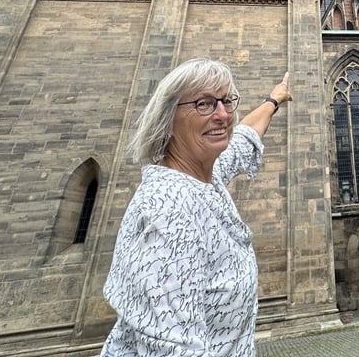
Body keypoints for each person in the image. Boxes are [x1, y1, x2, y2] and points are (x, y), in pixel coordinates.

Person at [100, 58, 291, 357]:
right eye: (204, 104)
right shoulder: (167, 215)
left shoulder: (202, 175)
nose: (223, 114)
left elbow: (243, 138)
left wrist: (274, 99)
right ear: (168, 118)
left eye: (227, 101)